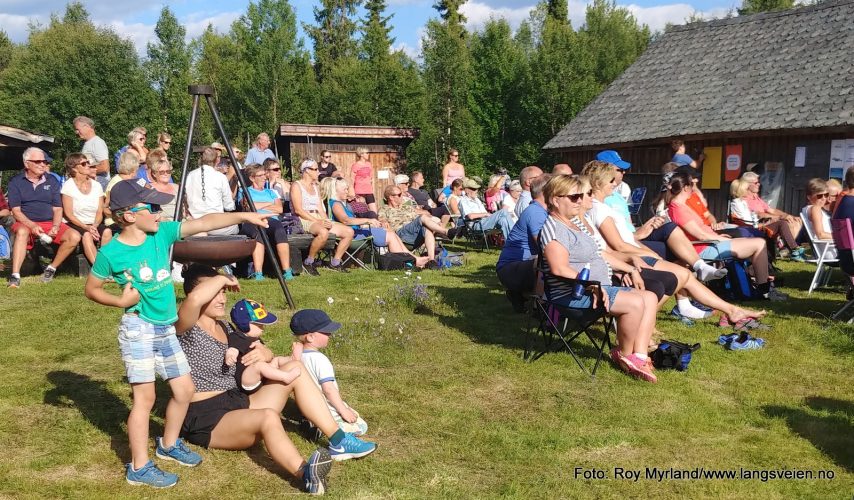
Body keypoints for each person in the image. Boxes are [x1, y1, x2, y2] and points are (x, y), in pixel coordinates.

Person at [83, 179, 273, 488]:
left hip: (165, 327)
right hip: (139, 329)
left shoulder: (162, 234)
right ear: (130, 215)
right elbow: (91, 289)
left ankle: (168, 445)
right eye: (153, 208)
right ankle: (139, 467)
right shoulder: (111, 253)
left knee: (184, 391)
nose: (159, 213)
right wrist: (119, 300)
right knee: (145, 399)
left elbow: (204, 222)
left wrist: (243, 216)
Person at [175, 266, 377, 495]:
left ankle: (339, 441)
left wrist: (266, 354)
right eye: (216, 292)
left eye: (223, 291)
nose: (222, 298)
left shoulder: (224, 326)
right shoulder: (185, 328)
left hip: (237, 401)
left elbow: (260, 351)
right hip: (206, 417)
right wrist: (222, 277)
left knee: (295, 367)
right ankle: (305, 474)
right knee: (269, 417)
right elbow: (194, 299)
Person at [582, 161, 765, 322]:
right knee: (680, 273)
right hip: (627, 257)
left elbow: (624, 238)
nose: (615, 184)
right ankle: (642, 320)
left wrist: (642, 235)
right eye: (611, 181)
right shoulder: (599, 211)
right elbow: (618, 245)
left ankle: (730, 309)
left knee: (681, 268)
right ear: (599, 183)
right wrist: (649, 254)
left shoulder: (602, 208)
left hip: (633, 250)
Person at [540, 174, 658, 382]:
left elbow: (598, 253)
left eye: (580, 196)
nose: (579, 201)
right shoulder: (553, 228)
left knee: (649, 297)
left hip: (596, 287)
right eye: (573, 197)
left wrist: (630, 269)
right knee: (635, 303)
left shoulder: (574, 223)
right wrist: (592, 285)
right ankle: (624, 353)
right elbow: (558, 269)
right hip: (573, 294)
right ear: (555, 200)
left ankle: (639, 356)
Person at [667, 172, 787, 301]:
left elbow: (701, 230)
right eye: (692, 184)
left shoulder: (680, 206)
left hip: (710, 243)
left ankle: (760, 286)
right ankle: (765, 290)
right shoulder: (679, 209)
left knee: (754, 242)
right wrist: (721, 238)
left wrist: (717, 236)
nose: (694, 187)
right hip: (704, 248)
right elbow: (700, 236)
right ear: (685, 188)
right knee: (759, 244)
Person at [7, 148, 82, 287]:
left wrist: (55, 226)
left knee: (74, 236)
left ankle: (51, 268)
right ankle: (15, 275)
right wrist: (32, 225)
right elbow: (16, 211)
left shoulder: (52, 180)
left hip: (48, 221)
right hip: (25, 222)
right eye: (38, 161)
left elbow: (58, 208)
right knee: (22, 232)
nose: (43, 164)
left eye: (44, 161)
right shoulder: (15, 182)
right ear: (27, 163)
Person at [323, 177, 431, 268]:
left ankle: (413, 259)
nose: (347, 192)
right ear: (336, 191)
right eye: (345, 189)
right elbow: (345, 220)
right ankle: (406, 262)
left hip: (357, 232)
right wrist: (368, 220)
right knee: (390, 236)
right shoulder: (336, 204)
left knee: (390, 233)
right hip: (353, 235)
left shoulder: (341, 204)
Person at [292, 309, 369, 436]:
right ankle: (323, 430)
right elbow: (329, 389)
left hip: (308, 409)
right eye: (326, 332)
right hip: (327, 410)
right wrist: (343, 410)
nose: (330, 335)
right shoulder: (321, 360)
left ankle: (312, 423)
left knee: (352, 412)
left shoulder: (297, 358)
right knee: (361, 425)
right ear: (310, 337)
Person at [496, 174, 552, 310]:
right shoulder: (536, 212)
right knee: (549, 260)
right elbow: (545, 247)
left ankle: (521, 294)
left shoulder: (540, 210)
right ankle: (540, 307)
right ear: (548, 192)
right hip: (511, 269)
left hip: (517, 266)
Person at [291, 158, 355, 274]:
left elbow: (320, 208)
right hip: (304, 218)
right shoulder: (297, 186)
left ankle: (335, 262)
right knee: (323, 232)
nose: (318, 172)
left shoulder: (316, 187)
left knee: (348, 231)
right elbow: (298, 210)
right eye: (315, 169)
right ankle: (309, 261)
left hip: (317, 217)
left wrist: (326, 220)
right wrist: (318, 221)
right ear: (306, 171)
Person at [227, 299, 301, 391]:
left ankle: (291, 359)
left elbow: (267, 355)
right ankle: (285, 377)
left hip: (260, 375)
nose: (263, 328)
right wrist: (230, 355)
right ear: (244, 324)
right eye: (259, 325)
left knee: (276, 360)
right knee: (259, 366)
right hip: (246, 379)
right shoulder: (237, 336)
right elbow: (232, 349)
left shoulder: (255, 338)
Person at [379, 185, 465, 263]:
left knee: (426, 228)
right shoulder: (384, 209)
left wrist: (428, 213)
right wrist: (383, 222)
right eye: (399, 194)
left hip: (414, 235)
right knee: (422, 218)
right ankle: (446, 232)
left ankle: (431, 260)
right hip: (400, 235)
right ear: (391, 197)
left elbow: (424, 214)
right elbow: (381, 221)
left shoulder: (406, 207)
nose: (402, 196)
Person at [240, 163, 295, 281]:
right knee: (258, 231)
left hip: (272, 220)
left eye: (265, 174)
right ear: (252, 178)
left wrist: (259, 205)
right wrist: (270, 203)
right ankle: (258, 273)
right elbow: (249, 208)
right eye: (261, 175)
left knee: (279, 229)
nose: (265, 177)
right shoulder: (245, 191)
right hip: (252, 220)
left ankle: (287, 271)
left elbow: (279, 209)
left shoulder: (271, 192)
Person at [730, 178, 802, 260]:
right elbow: (750, 221)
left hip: (757, 224)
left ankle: (792, 249)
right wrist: (768, 222)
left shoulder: (743, 201)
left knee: (786, 222)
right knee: (782, 223)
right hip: (754, 227)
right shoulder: (739, 203)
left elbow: (768, 211)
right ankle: (793, 250)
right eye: (746, 189)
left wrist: (785, 216)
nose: (759, 184)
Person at [61, 153, 105, 265]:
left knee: (107, 231)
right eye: (84, 163)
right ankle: (98, 269)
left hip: (93, 222)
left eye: (88, 163)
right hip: (75, 223)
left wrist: (94, 226)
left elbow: (100, 210)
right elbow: (69, 214)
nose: (88, 166)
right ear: (74, 168)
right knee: (86, 234)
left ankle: (106, 264)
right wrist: (86, 227)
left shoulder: (97, 185)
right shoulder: (68, 186)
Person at [185, 147, 239, 236]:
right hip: (215, 225)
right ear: (217, 160)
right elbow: (229, 206)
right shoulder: (220, 177)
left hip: (195, 223)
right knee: (235, 226)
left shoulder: (190, 175)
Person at [101, 151, 143, 246]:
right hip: (116, 221)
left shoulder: (134, 181)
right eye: (137, 169)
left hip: (132, 218)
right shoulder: (116, 183)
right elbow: (106, 207)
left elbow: (146, 188)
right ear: (133, 169)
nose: (137, 172)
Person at [73, 116, 111, 189]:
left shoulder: (97, 142)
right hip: (92, 183)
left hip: (100, 184)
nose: (76, 132)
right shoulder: (87, 144)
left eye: (77, 129)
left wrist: (84, 171)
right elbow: (92, 164)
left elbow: (105, 167)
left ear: (86, 126)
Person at [596, 150, 633, 220]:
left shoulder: (621, 192)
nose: (624, 172)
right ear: (604, 170)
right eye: (620, 169)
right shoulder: (590, 198)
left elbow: (629, 224)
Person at [348, 147, 376, 213]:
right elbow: (352, 179)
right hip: (359, 192)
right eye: (366, 153)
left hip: (369, 191)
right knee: (362, 210)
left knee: (374, 211)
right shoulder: (356, 165)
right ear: (361, 154)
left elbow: (371, 178)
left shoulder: (369, 164)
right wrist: (352, 191)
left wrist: (372, 189)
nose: (368, 154)